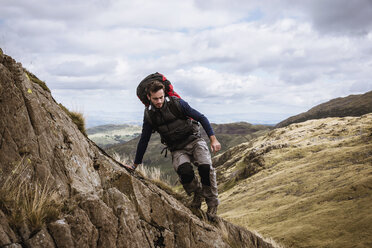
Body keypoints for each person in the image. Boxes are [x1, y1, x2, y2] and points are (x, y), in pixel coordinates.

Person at [128, 80, 221, 221]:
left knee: (205, 167)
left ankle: (212, 203)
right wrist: (135, 164)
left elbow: (201, 117)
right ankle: (197, 193)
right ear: (148, 97)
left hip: (195, 141)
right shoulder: (149, 115)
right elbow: (144, 139)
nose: (159, 101)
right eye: (155, 99)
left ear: (164, 93)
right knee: (184, 172)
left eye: (161, 97)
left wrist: (213, 139)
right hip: (177, 148)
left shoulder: (177, 104)